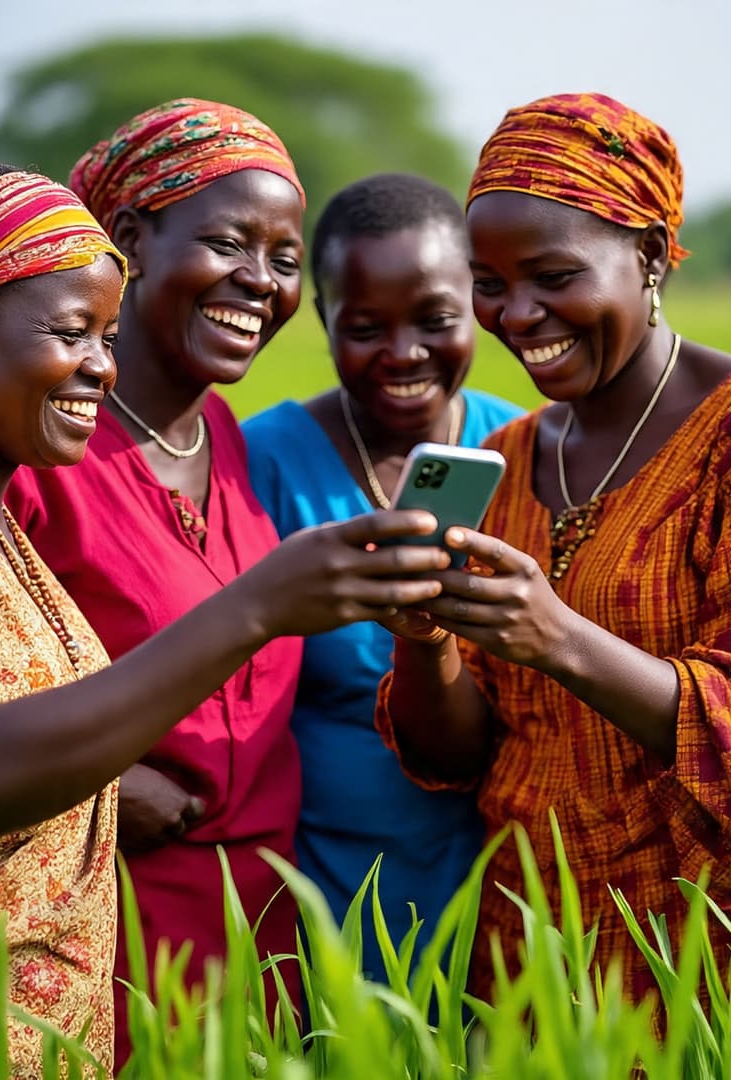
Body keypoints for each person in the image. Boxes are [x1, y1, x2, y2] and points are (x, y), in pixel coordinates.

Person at [0, 164, 449, 1076]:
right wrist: (253, 609)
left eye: (108, 336)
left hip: (46, 1037)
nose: (100, 366)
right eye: (69, 332)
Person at [374, 92, 731, 1006]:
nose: (518, 314)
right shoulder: (507, 461)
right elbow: (462, 757)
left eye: (553, 275)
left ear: (651, 255)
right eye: (488, 282)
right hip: (539, 965)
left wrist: (556, 636)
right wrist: (425, 641)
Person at [6, 98, 351, 1061]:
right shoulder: (41, 451)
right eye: (229, 243)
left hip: (262, 936)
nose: (260, 281)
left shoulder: (230, 442)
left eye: (284, 260)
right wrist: (107, 782)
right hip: (104, 928)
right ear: (129, 241)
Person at [242, 173, 522, 974]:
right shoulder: (260, 461)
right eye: (367, 327)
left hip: (500, 878)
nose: (405, 354)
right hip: (322, 880)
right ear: (326, 320)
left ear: (474, 304)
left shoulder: (527, 448)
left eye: (436, 320)